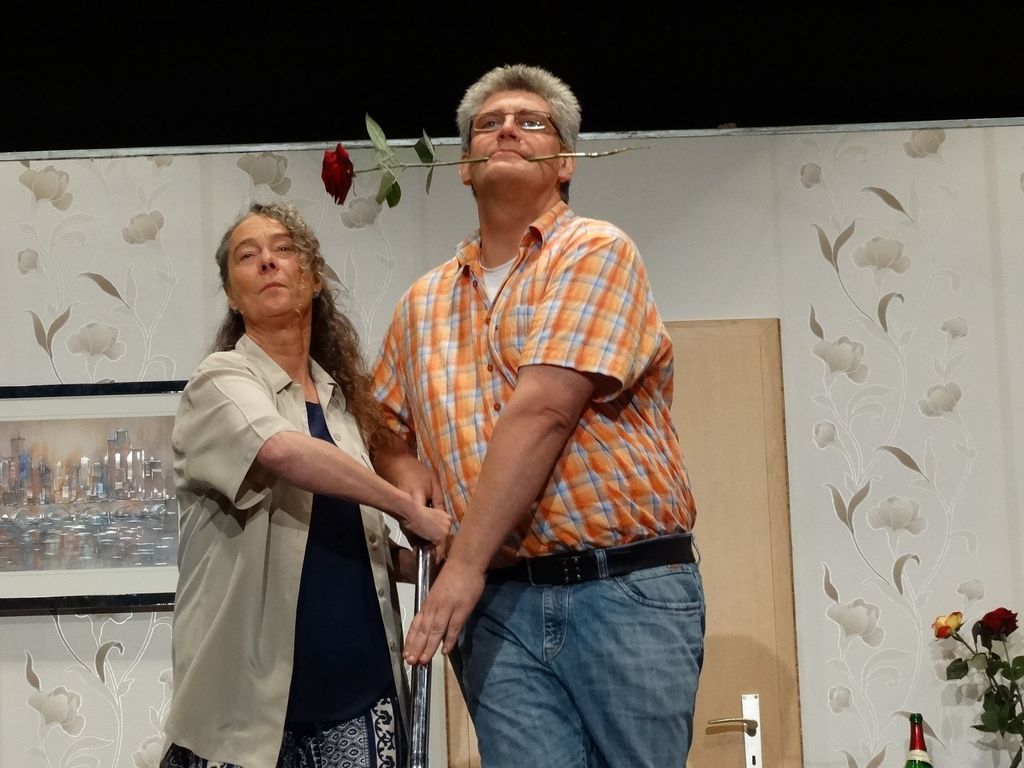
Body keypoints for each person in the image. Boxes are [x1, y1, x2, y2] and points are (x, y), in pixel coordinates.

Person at [372, 64, 706, 767]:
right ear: (464, 166)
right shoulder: (421, 303)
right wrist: (404, 468)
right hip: (499, 603)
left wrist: (461, 567)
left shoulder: (594, 250)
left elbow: (546, 410)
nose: (507, 131)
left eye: (531, 122)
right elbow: (380, 426)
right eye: (488, 125)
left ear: (566, 161)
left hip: (622, 589)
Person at [160, 201, 450, 768]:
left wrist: (421, 563)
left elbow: (337, 531)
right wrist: (405, 507)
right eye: (247, 256)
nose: (268, 261)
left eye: (284, 249)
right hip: (247, 705)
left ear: (313, 278)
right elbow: (284, 451)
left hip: (360, 689)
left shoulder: (345, 405)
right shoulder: (220, 381)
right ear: (231, 294)